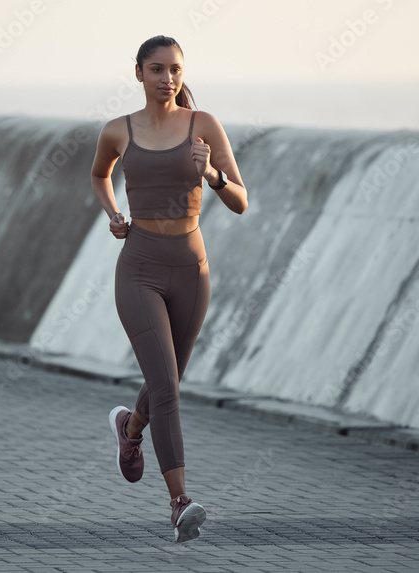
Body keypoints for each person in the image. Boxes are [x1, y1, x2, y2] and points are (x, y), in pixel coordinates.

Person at [90, 34, 248, 543]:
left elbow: (241, 200)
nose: (168, 79)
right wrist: (115, 214)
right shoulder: (118, 131)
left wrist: (212, 175)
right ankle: (179, 502)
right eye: (157, 69)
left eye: (175, 69)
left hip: (191, 268)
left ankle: (131, 431)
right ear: (138, 73)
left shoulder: (204, 126)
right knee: (168, 388)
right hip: (139, 267)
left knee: (169, 377)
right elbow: (99, 175)